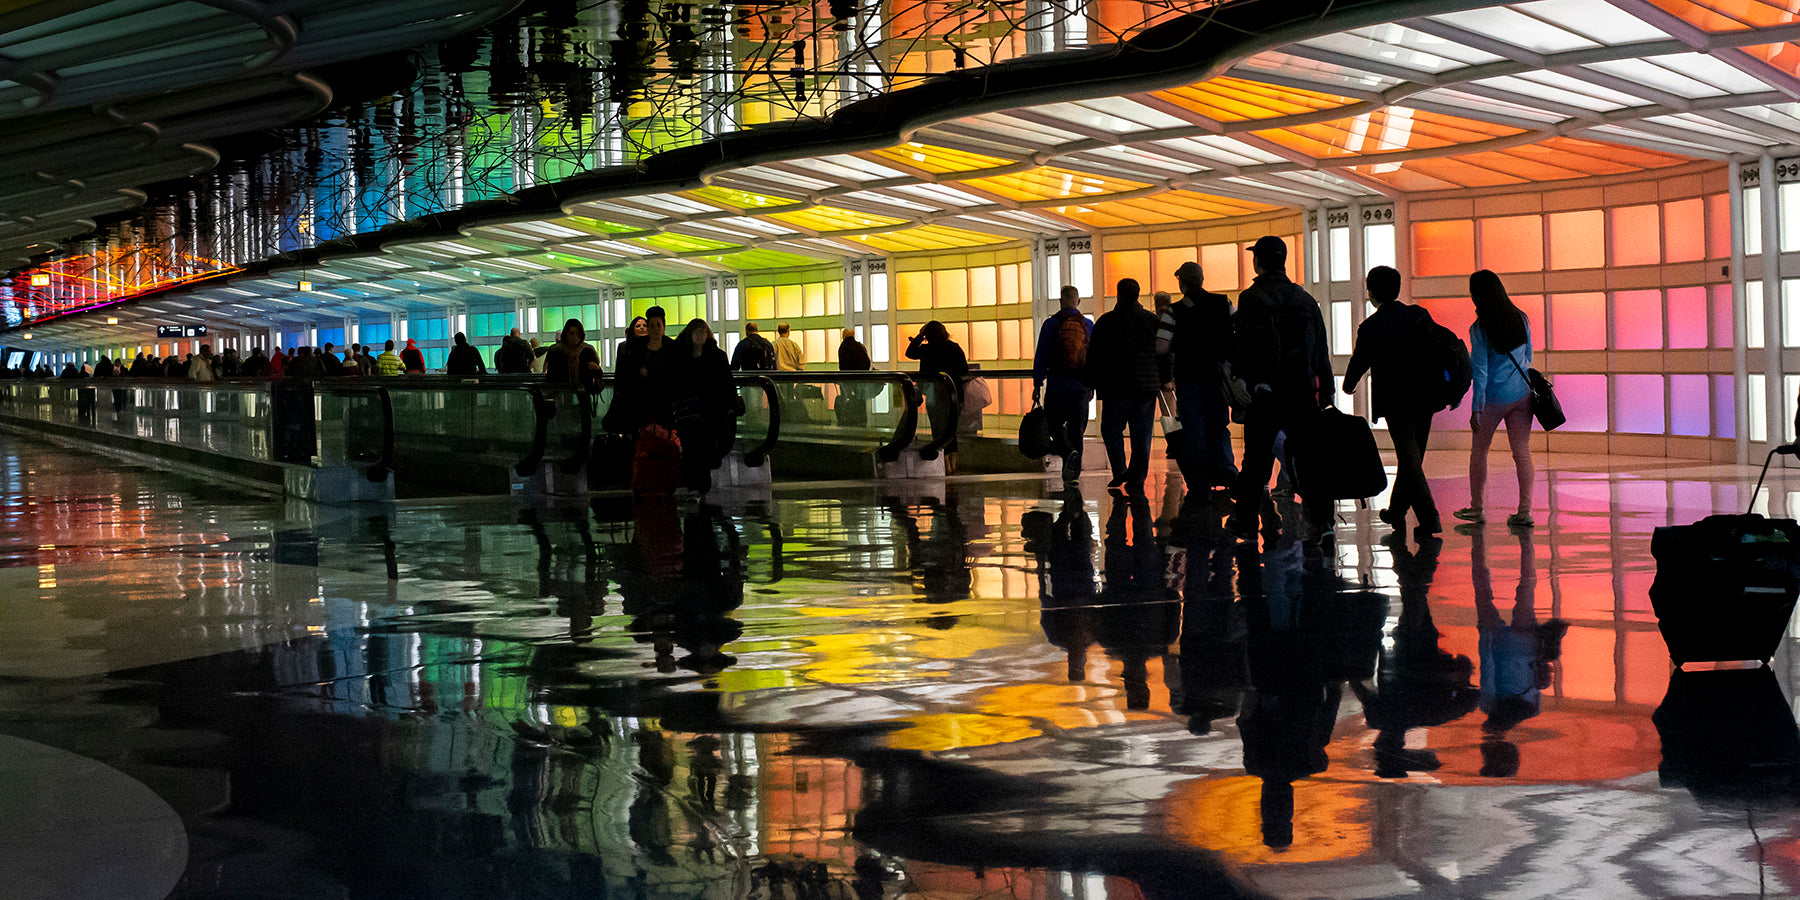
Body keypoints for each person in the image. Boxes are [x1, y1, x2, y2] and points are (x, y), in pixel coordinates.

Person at [1227, 236, 1335, 545]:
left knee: (1256, 461)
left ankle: (1246, 523)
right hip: (1302, 392)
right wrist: (1325, 387)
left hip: (1267, 392)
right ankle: (1322, 522)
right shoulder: (1304, 299)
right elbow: (1320, 346)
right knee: (1310, 459)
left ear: (1257, 262)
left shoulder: (1252, 298)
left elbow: (1245, 344)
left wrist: (1240, 379)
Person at [1342, 265, 1441, 542]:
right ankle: (1397, 511)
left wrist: (1347, 386)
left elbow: (1358, 360)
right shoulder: (1418, 315)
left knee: (1410, 459)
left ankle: (1429, 517)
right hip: (1425, 397)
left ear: (1371, 293)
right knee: (1412, 458)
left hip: (1396, 402)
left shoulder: (1372, 326)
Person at [1458, 270, 1536, 529]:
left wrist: (1476, 408)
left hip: (1493, 398)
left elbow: (1480, 371)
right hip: (1523, 395)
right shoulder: (1520, 318)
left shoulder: (1480, 329)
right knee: (1522, 453)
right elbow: (1528, 356)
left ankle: (1477, 508)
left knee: (1479, 450)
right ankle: (1525, 512)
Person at [1157, 261, 1236, 494]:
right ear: (1202, 280)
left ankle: (1200, 480)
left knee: (1194, 429)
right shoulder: (1223, 302)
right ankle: (1226, 470)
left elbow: (1161, 347)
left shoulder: (1174, 311)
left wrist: (1168, 370)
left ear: (1181, 283)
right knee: (1219, 425)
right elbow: (1239, 327)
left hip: (1188, 378)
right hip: (1217, 377)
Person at [1086, 279, 1161, 495]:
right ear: (1138, 295)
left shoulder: (1106, 322)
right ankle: (1137, 478)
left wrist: (1090, 384)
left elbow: (1094, 356)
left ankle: (1120, 469)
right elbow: (1164, 352)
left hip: (1115, 387)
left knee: (1110, 428)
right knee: (1142, 433)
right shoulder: (1151, 320)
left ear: (1118, 295)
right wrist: (1164, 379)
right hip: (1146, 388)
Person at [1034, 285, 1094, 486]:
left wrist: (1037, 383)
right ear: (1078, 301)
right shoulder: (1088, 325)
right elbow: (1094, 358)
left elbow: (1041, 355)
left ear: (1061, 302)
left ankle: (1069, 452)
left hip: (1057, 386)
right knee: (1077, 429)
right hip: (1081, 388)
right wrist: (1092, 384)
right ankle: (1073, 475)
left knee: (1053, 424)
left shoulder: (1051, 324)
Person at [672, 319, 738, 495]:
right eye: (697, 331)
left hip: (708, 414)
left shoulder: (716, 356)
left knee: (701, 452)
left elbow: (727, 383)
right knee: (691, 452)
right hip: (688, 415)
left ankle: (698, 490)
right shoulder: (681, 355)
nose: (700, 335)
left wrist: (729, 405)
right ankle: (698, 491)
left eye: (703, 331)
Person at [905, 320, 969, 473]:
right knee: (951, 428)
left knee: (938, 428)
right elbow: (964, 370)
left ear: (928, 335)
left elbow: (910, 353)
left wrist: (920, 337)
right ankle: (953, 462)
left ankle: (944, 462)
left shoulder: (927, 350)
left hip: (934, 393)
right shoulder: (955, 347)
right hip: (953, 395)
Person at [610, 306, 679, 431]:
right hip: (640, 406)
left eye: (658, 325)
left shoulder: (673, 348)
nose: (655, 329)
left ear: (664, 328)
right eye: (651, 326)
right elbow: (628, 378)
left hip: (665, 406)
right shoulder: (637, 350)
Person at [543, 318, 602, 393]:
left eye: (578, 333)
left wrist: (596, 368)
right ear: (566, 334)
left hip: (584, 395)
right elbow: (551, 376)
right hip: (561, 393)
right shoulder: (556, 351)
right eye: (572, 333)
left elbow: (597, 373)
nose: (575, 336)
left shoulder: (588, 350)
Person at [836, 327, 873, 427]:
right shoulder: (860, 346)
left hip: (848, 379)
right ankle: (861, 420)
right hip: (861, 379)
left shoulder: (843, 347)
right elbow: (867, 362)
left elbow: (842, 365)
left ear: (843, 336)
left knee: (847, 399)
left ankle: (848, 421)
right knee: (861, 400)